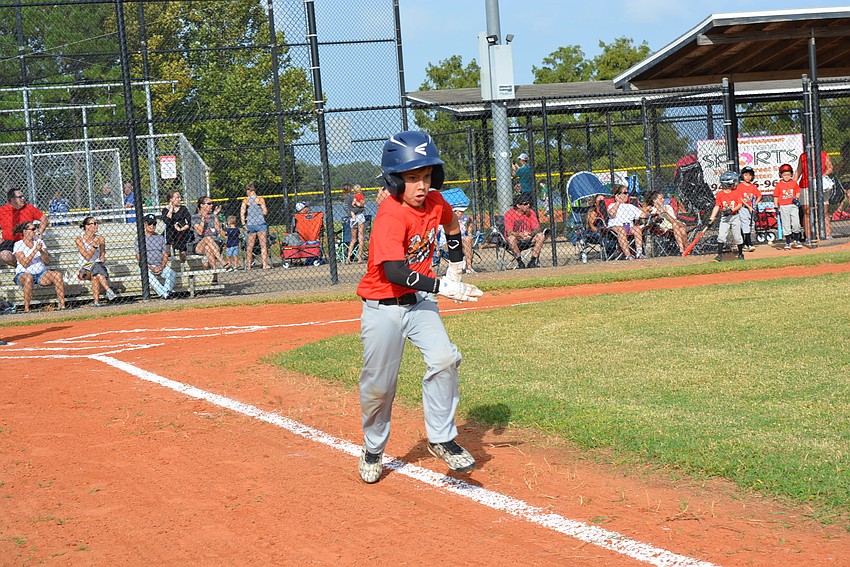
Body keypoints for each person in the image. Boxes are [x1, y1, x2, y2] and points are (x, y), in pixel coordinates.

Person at [355, 131, 483, 484]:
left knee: (444, 358)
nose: (421, 185)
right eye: (412, 178)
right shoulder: (390, 216)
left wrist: (456, 263)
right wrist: (443, 285)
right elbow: (394, 271)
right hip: (383, 306)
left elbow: (452, 224)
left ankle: (442, 438)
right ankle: (373, 446)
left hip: (420, 303)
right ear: (396, 181)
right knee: (380, 386)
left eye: (426, 176)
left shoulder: (436, 202)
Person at [12, 221, 65, 312]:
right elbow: (24, 263)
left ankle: (62, 305)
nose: (35, 231)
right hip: (24, 273)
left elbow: (46, 261)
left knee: (57, 275)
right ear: (25, 232)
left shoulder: (39, 241)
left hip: (41, 273)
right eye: (32, 229)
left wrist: (41, 251)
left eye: (35, 229)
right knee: (29, 278)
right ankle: (27, 308)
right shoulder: (18, 244)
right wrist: (35, 250)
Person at [0, 188, 49, 267]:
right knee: (4, 255)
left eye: (23, 196)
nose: (23, 198)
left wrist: (39, 232)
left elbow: (44, 218)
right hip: (9, 241)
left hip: (27, 240)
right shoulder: (2, 210)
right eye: (20, 197)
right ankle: (21, 266)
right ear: (12, 199)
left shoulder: (29, 208)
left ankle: (28, 266)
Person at [75, 216, 117, 307]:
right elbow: (86, 256)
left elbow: (102, 255)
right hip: (85, 268)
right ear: (87, 226)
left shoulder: (100, 238)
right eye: (94, 223)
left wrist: (102, 258)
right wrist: (94, 246)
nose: (96, 225)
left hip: (98, 267)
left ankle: (96, 302)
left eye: (97, 223)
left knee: (95, 274)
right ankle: (108, 289)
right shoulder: (79, 239)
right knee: (95, 267)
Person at [796, 149, 834, 241]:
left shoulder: (824, 155)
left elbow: (830, 168)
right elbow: (799, 171)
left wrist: (821, 175)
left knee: (824, 210)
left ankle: (827, 234)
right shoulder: (803, 156)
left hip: (820, 185)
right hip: (805, 185)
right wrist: (793, 184)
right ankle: (809, 236)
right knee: (807, 211)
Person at [135, 214, 176, 299]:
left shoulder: (160, 237)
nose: (152, 226)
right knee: (146, 274)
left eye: (154, 224)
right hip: (146, 266)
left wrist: (161, 266)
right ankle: (164, 293)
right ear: (145, 224)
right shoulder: (139, 238)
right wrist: (151, 267)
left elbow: (165, 254)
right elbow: (139, 257)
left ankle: (166, 292)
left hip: (160, 265)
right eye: (149, 224)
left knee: (172, 273)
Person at [708, 171, 746, 261]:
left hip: (735, 217)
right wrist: (712, 217)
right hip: (725, 218)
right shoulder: (720, 194)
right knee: (721, 236)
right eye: (735, 181)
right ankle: (719, 255)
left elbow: (739, 205)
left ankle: (740, 254)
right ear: (729, 183)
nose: (736, 183)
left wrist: (731, 210)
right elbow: (717, 206)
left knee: (737, 237)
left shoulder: (736, 192)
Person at [503, 193, 546, 268]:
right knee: (511, 238)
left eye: (529, 203)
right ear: (518, 205)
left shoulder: (531, 212)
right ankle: (520, 263)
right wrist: (520, 234)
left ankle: (532, 262)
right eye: (525, 204)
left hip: (528, 239)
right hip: (516, 241)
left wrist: (530, 233)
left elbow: (537, 229)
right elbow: (509, 232)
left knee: (541, 235)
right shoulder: (509, 214)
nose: (528, 205)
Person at [606, 185, 647, 260]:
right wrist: (618, 202)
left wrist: (648, 210)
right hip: (615, 227)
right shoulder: (612, 205)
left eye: (627, 193)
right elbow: (611, 214)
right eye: (625, 193)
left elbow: (643, 215)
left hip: (628, 227)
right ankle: (628, 255)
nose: (627, 195)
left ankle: (639, 253)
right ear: (618, 195)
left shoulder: (630, 206)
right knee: (621, 230)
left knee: (637, 229)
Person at [193, 197, 233, 271]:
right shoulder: (195, 217)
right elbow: (200, 232)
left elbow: (218, 230)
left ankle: (214, 275)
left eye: (212, 203)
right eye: (209, 204)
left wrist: (215, 216)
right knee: (207, 238)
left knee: (208, 248)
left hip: (215, 244)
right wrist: (203, 219)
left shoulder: (213, 216)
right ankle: (223, 262)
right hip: (199, 245)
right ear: (201, 205)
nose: (211, 205)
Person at [644, 190, 688, 255]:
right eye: (661, 198)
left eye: (663, 198)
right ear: (654, 200)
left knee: (678, 226)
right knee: (681, 229)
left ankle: (682, 250)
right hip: (665, 228)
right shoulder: (652, 210)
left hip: (675, 224)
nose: (663, 200)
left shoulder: (668, 207)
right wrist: (656, 213)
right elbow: (647, 216)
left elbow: (674, 220)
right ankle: (686, 250)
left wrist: (665, 213)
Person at [241, 182, 271, 270]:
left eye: (246, 190)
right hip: (260, 223)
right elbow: (265, 211)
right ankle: (265, 264)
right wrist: (260, 213)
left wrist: (243, 224)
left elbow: (242, 213)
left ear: (249, 190)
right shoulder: (260, 199)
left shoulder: (245, 200)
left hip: (250, 224)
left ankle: (249, 266)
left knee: (250, 246)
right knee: (263, 245)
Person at [774, 163, 804, 250]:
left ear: (791, 174)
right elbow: (776, 196)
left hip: (793, 205)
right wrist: (776, 206)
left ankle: (796, 240)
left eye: (788, 174)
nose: (786, 176)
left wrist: (797, 198)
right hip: (783, 206)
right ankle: (787, 242)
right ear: (781, 175)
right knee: (786, 224)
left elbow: (798, 191)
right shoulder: (779, 185)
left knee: (796, 223)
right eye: (784, 175)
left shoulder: (793, 183)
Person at [161, 189, 193, 262]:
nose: (179, 199)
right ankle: (168, 249)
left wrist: (181, 229)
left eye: (179, 197)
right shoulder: (165, 210)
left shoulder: (183, 209)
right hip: (171, 232)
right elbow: (167, 221)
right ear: (171, 199)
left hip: (182, 230)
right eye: (177, 198)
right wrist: (171, 209)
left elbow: (189, 221)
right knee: (168, 228)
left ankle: (182, 252)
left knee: (183, 232)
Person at [736, 166, 762, 252]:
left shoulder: (753, 186)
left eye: (750, 175)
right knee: (745, 224)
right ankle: (749, 244)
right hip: (743, 208)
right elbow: (739, 198)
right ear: (742, 176)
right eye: (746, 175)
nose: (748, 177)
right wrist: (748, 206)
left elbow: (759, 196)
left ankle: (745, 244)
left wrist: (755, 204)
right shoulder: (740, 186)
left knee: (751, 225)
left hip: (751, 208)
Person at [346, 185, 366, 264]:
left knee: (353, 239)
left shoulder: (351, 197)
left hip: (353, 217)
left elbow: (351, 205)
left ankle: (348, 258)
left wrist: (352, 211)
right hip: (360, 216)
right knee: (360, 237)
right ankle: (359, 258)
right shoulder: (361, 196)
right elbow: (361, 204)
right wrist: (359, 204)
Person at [453, 205, 476, 273]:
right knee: (465, 242)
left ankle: (469, 268)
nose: (462, 213)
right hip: (448, 242)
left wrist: (469, 233)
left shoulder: (465, 217)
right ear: (455, 212)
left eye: (463, 211)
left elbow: (470, 221)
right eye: (460, 211)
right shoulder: (448, 217)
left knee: (467, 239)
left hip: (462, 241)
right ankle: (464, 263)